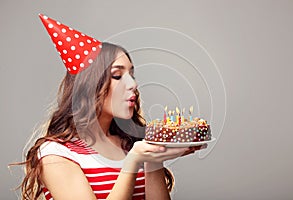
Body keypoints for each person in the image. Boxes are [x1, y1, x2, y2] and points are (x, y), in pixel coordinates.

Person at [17, 14, 207, 200]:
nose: (133, 84)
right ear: (89, 86)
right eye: (117, 76)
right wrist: (132, 162)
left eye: (131, 75)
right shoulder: (56, 154)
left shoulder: (132, 143)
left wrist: (153, 160)